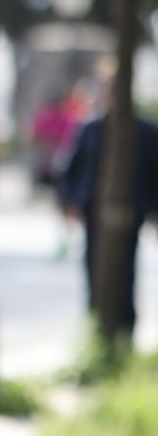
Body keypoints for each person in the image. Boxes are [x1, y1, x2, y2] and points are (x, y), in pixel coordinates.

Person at [56, 61, 158, 340]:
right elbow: (68, 170)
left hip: (131, 213)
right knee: (93, 271)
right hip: (93, 212)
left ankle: (125, 331)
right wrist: (69, 202)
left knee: (127, 274)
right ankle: (96, 329)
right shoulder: (89, 129)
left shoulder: (147, 132)